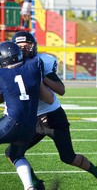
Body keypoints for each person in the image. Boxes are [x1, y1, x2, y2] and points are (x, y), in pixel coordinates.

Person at [6, 31, 97, 190]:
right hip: (30, 119)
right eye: (19, 46)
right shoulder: (8, 66)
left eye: (27, 46)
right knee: (13, 153)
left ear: (34, 47)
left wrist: (40, 77)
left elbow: (61, 90)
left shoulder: (41, 62)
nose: (23, 49)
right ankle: (36, 184)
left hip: (52, 116)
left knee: (68, 157)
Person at [0, 41, 53, 190]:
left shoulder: (2, 74)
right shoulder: (33, 67)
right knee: (16, 155)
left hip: (11, 123)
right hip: (30, 127)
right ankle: (29, 187)